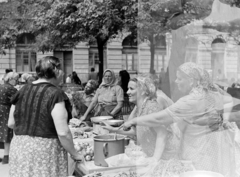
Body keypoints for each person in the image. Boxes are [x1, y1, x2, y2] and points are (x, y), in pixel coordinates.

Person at [122, 62, 240, 177]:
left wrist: (133, 121)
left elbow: (160, 118)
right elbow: (229, 99)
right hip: (215, 146)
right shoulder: (208, 92)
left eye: (179, 79)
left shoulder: (192, 100)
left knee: (199, 172)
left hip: (199, 150)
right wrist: (223, 119)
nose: (176, 81)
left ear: (191, 81)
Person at [8, 56, 83, 177]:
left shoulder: (22, 90)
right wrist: (75, 154)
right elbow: (63, 132)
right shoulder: (55, 93)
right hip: (44, 151)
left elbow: (11, 123)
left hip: (19, 148)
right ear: (56, 71)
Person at [102, 76, 178, 161]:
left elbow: (162, 133)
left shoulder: (151, 107)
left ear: (142, 91)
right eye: (128, 89)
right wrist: (113, 129)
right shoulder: (140, 107)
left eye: (131, 89)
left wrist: (155, 158)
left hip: (165, 158)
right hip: (150, 155)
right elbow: (135, 131)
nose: (127, 92)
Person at [0, 72, 18, 164]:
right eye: (16, 79)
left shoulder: (1, 86)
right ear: (11, 79)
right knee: (6, 132)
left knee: (1, 132)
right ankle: (6, 156)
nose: (17, 81)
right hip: (6, 110)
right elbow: (18, 101)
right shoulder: (11, 89)